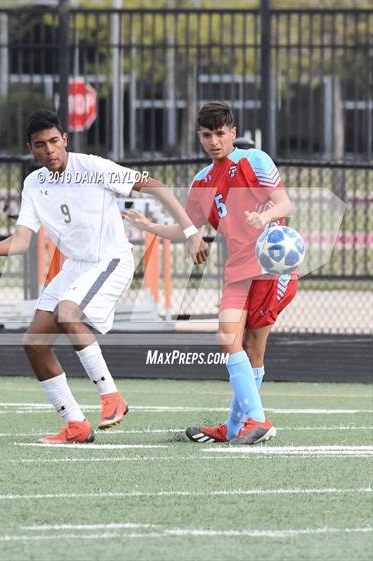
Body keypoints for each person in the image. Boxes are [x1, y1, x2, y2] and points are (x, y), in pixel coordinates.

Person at [0, 109, 206, 445]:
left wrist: (190, 231)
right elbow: (22, 240)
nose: (50, 149)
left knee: (68, 313)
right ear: (31, 149)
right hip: (76, 267)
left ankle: (112, 398)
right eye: (41, 145)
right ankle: (75, 425)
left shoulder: (92, 167)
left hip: (110, 260)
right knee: (34, 344)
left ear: (65, 140)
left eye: (55, 141)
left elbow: (155, 186)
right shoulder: (34, 184)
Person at [124, 101, 297, 445]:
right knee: (229, 339)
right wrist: (150, 226)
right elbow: (187, 229)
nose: (214, 141)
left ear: (233, 132)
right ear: (199, 137)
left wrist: (262, 219)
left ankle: (241, 426)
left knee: (252, 349)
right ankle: (249, 423)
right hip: (237, 272)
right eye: (207, 135)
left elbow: (285, 203)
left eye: (220, 133)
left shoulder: (254, 160)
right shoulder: (202, 181)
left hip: (269, 267)